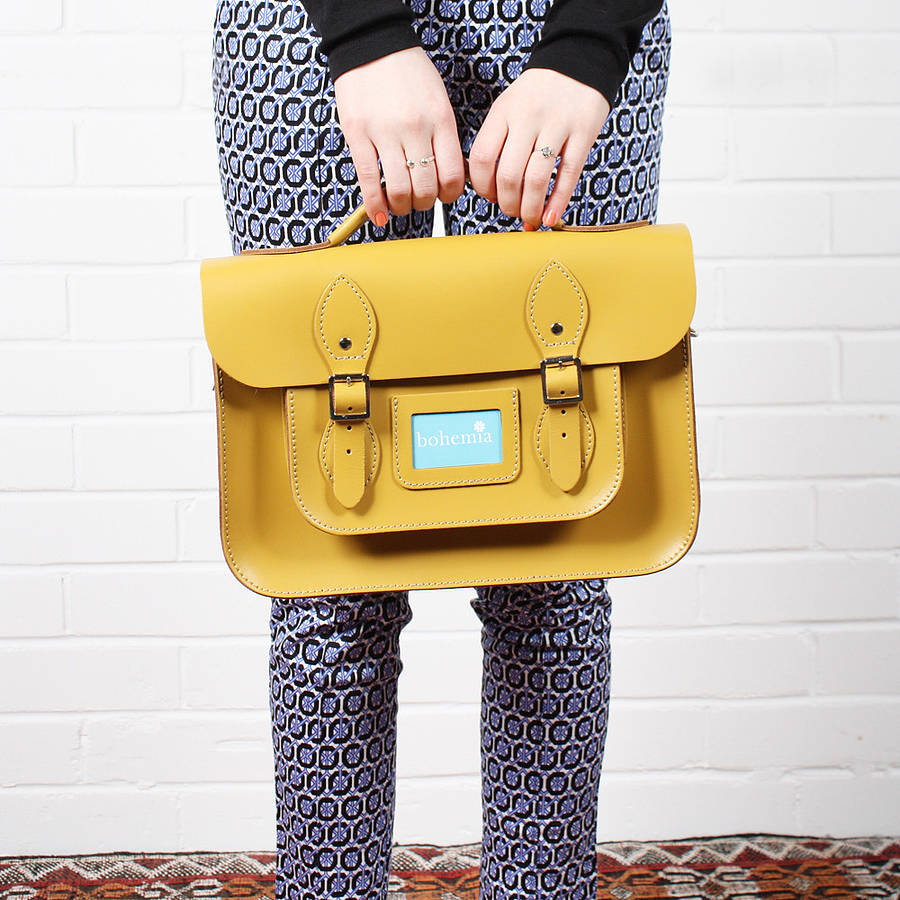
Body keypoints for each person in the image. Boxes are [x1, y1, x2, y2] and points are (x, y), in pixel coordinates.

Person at [211, 1, 670, 897]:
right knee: (328, 550)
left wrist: (589, 41)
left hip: (569, 24)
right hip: (306, 25)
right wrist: (362, 33)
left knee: (558, 541)